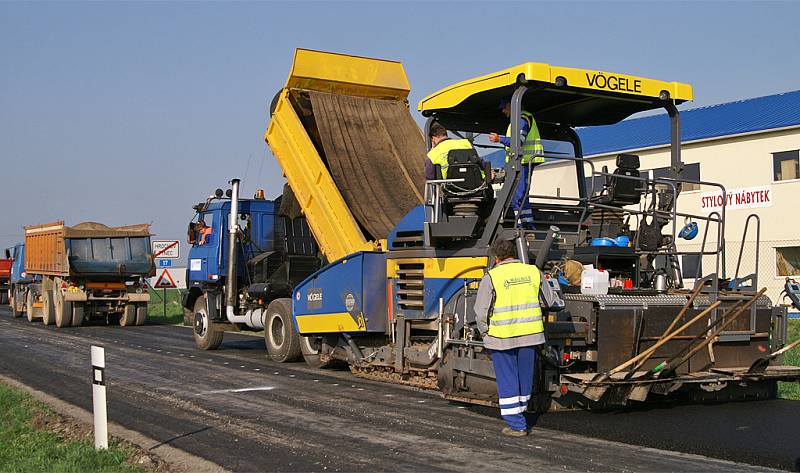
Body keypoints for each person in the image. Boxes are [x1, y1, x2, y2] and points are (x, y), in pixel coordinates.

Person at [474, 238, 551, 437]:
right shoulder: (533, 272)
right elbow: (549, 300)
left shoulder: (492, 277)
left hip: (502, 337)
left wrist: (485, 332)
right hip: (530, 336)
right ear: (514, 254)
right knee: (525, 377)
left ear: (496, 257)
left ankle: (517, 424)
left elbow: (481, 311)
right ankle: (521, 413)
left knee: (507, 379)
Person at [488, 99, 545, 229]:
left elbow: (518, 141)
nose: (503, 111)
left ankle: (526, 228)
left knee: (519, 196)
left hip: (523, 162)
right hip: (518, 163)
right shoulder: (518, 120)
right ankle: (522, 226)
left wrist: (499, 139)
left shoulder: (522, 119)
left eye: (504, 107)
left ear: (512, 106)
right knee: (517, 196)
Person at [425, 123, 489, 180]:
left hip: (451, 188)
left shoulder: (432, 154)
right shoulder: (466, 143)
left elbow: (430, 176)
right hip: (476, 183)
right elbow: (480, 161)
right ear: (446, 134)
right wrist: (489, 172)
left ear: (433, 138)